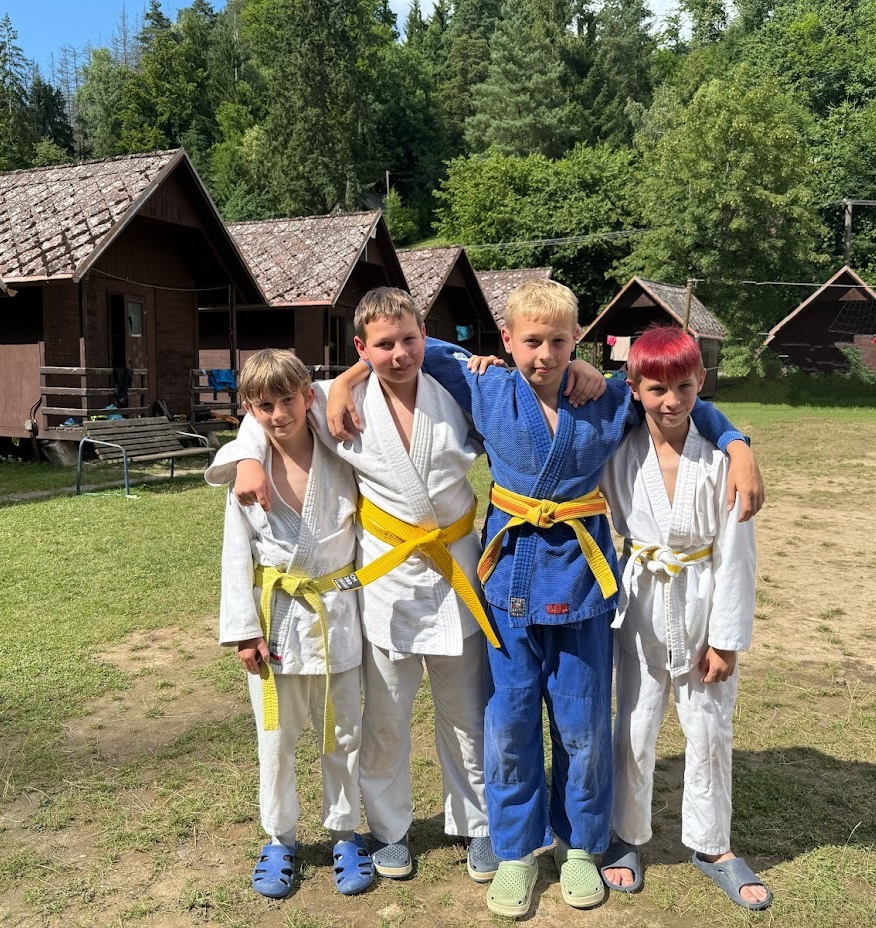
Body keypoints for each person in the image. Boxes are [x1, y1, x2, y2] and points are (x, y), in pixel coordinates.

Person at [327, 279, 763, 917]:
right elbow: (412, 347)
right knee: (509, 725)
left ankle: (580, 846)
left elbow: (674, 396)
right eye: (531, 341)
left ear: (577, 339)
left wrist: (736, 443)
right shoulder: (486, 386)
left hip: (582, 585)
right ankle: (514, 851)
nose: (545, 354)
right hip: (507, 583)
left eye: (560, 341)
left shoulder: (605, 399)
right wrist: (347, 378)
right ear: (506, 340)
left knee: (583, 726)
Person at [226, 291, 606, 884]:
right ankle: (389, 829)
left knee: (468, 714)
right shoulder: (334, 400)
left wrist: (581, 364)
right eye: (383, 345)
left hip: (457, 570)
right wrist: (250, 456)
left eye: (410, 339)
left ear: (425, 337)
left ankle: (478, 825)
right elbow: (271, 411)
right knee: (385, 718)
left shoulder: (458, 387)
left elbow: (530, 383)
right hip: (387, 581)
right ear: (361, 348)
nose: (400, 354)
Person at [599, 326, 770, 911]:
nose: (671, 401)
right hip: (640, 604)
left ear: (701, 383)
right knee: (634, 727)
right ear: (633, 388)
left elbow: (737, 558)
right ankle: (626, 834)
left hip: (702, 600)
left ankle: (712, 844)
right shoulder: (617, 449)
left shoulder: (721, 460)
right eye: (656, 389)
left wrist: (726, 640)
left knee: (710, 730)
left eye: (684, 387)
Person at [207, 349, 374, 899]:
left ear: (308, 396)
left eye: (287, 400)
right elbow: (236, 553)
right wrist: (242, 630)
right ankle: (279, 837)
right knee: (275, 739)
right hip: (275, 619)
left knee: (343, 734)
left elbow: (367, 367)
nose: (278, 414)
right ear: (249, 410)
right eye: (264, 406)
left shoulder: (341, 452)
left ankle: (344, 832)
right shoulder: (245, 473)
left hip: (336, 614)